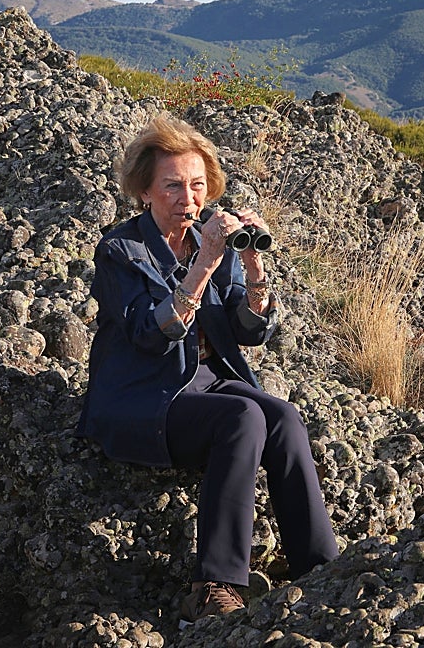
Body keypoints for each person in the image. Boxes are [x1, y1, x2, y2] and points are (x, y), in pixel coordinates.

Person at [76, 115, 338, 626]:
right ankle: (215, 584)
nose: (187, 198)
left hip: (204, 380)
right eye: (172, 185)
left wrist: (256, 269)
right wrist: (203, 267)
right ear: (145, 191)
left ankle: (319, 566)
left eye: (197, 185)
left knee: (282, 417)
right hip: (140, 395)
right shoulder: (120, 251)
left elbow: (250, 331)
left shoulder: (209, 237)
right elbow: (150, 335)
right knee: (242, 418)